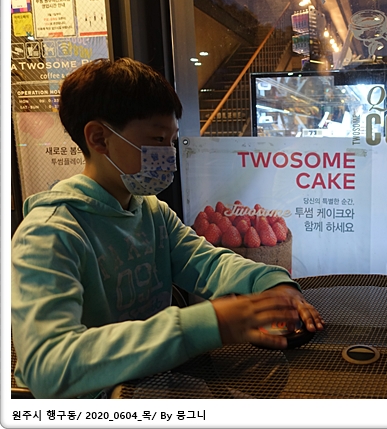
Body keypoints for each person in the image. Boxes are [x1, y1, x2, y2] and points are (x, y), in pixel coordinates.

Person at [11, 58, 324, 399]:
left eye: (172, 140)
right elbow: (48, 367)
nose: (168, 154)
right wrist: (205, 324)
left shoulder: (152, 211)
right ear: (99, 138)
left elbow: (207, 262)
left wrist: (272, 283)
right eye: (157, 139)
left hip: (150, 384)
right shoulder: (50, 234)